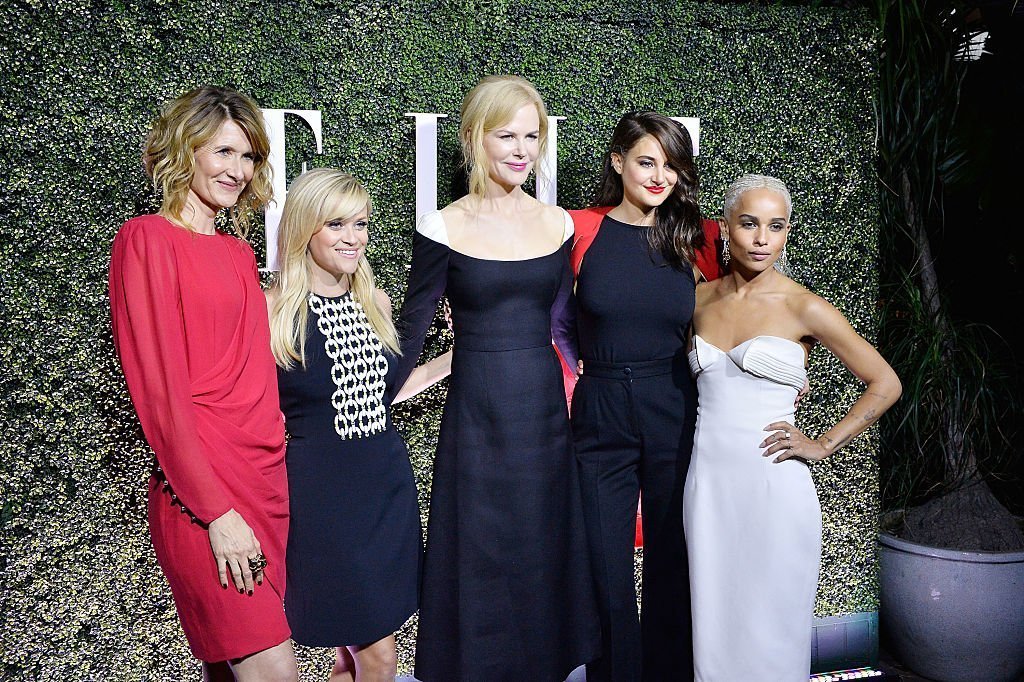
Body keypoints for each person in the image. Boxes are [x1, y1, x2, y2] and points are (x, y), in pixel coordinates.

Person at [393, 74, 600, 682]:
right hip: (478, 420)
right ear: (475, 140)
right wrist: (358, 401)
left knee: (542, 554)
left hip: (543, 416)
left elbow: (567, 327)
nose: (521, 149)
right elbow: (411, 333)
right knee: (479, 557)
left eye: (531, 136)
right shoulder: (443, 227)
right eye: (506, 135)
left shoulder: (557, 224)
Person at [108, 85, 298, 681]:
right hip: (206, 492)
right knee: (270, 666)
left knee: (233, 669)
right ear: (185, 150)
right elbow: (160, 396)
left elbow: (258, 371)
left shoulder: (239, 254)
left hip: (265, 481)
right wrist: (216, 511)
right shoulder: (147, 239)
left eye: (247, 157)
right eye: (222, 152)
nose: (237, 171)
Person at [684, 174, 902, 681]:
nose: (762, 238)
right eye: (750, 223)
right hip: (708, 486)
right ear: (725, 231)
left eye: (776, 226)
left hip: (774, 485)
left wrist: (822, 443)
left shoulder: (803, 305)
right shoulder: (697, 301)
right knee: (712, 629)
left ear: (786, 234)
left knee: (772, 629)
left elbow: (885, 383)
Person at [267, 168, 451, 681]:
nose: (353, 238)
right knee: (378, 655)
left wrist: (460, 355)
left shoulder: (375, 303)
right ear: (306, 228)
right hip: (322, 497)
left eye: (361, 224)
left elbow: (382, 393)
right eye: (336, 224)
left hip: (385, 485)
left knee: (354, 655)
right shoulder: (271, 310)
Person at [566, 111, 721, 682]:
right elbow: (555, 320)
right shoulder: (580, 230)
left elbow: (733, 319)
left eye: (671, 166)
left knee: (671, 559)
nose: (660, 177)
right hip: (600, 404)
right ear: (618, 162)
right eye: (647, 162)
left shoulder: (698, 240)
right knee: (603, 564)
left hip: (673, 403)